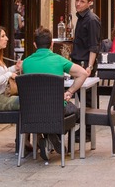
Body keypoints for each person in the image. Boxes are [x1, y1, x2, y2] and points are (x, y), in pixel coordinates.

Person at [22, 26, 88, 159]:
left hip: (31, 111)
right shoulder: (58, 60)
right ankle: (54, 134)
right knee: (75, 110)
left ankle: (46, 136)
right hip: (55, 109)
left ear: (35, 44)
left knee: (43, 111)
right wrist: (70, 91)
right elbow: (83, 73)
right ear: (52, 44)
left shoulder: (25, 63)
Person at [71, 0, 100, 75]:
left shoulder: (91, 20)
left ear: (89, 3)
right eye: (77, 0)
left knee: (84, 89)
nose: (78, 4)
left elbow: (94, 45)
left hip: (85, 63)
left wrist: (90, 66)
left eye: (82, 1)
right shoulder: (81, 17)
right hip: (77, 61)